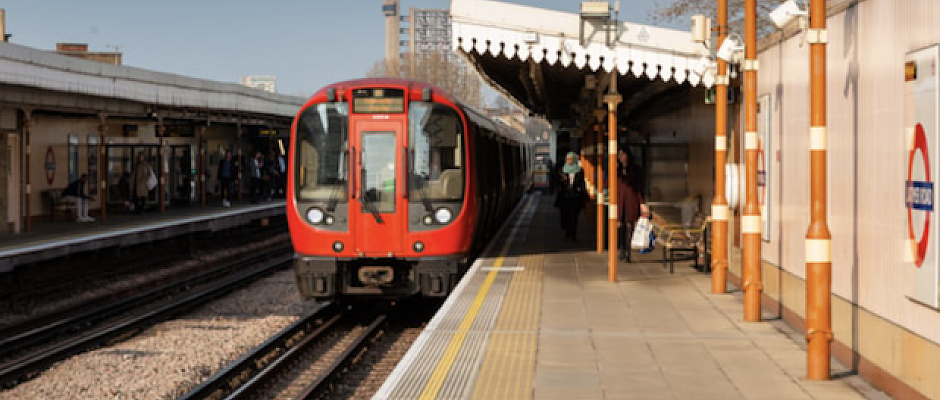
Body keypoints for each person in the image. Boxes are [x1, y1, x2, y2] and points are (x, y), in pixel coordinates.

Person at [617, 146, 649, 262]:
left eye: (622, 154)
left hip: (631, 201)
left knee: (630, 225)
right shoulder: (617, 170)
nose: (621, 157)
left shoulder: (635, 170)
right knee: (621, 226)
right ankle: (622, 249)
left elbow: (639, 187)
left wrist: (642, 203)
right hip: (620, 202)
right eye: (619, 155)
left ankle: (628, 252)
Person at [554, 151, 588, 241]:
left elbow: (582, 183)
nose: (569, 161)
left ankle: (573, 234)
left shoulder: (579, 171)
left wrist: (584, 194)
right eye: (567, 159)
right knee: (566, 216)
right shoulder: (562, 170)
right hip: (565, 197)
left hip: (575, 197)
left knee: (574, 217)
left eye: (570, 159)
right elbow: (557, 183)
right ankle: (567, 233)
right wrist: (562, 180)